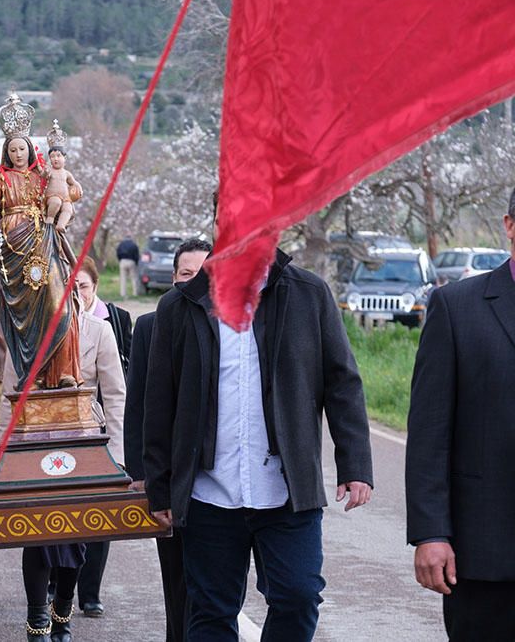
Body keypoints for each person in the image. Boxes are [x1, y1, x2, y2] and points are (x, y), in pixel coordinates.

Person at [143, 247, 374, 641]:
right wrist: (159, 485)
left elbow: (342, 383)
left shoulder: (309, 293)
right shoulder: (179, 305)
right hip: (209, 494)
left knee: (299, 597)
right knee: (210, 611)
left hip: (287, 492)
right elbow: (159, 400)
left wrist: (355, 465)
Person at [405, 191, 515, 641]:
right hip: (485, 556)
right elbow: (430, 432)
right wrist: (431, 533)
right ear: (509, 225)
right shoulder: (457, 307)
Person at [0, 304, 126, 642]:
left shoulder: (99, 330)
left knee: (75, 537)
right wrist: (4, 456)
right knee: (38, 534)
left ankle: (63, 612)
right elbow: (8, 397)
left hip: (83, 443)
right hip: (33, 444)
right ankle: (37, 620)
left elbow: (114, 395)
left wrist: (115, 456)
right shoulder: (23, 331)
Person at [124, 237, 211, 642]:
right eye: (186, 274)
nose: (194, 282)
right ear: (174, 278)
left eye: (203, 274)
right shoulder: (151, 325)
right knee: (176, 578)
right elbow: (140, 401)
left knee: (213, 585)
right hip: (170, 473)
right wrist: (143, 472)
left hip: (214, 474)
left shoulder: (230, 324)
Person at [0, 91, 82, 391]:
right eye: (13, 150)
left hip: (44, 242)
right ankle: (32, 374)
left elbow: (65, 193)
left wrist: (66, 195)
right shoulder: (3, 179)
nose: (18, 154)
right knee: (24, 317)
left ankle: (61, 372)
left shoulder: (43, 176)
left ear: (30, 149)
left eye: (22, 149)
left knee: (60, 303)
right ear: (6, 153)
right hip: (13, 252)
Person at [71, 256, 132, 617]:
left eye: (82, 286)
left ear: (94, 287)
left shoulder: (106, 327)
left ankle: (89, 590)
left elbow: (115, 394)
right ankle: (53, 587)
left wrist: (118, 452)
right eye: (70, 286)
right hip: (53, 436)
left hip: (93, 435)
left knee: (96, 516)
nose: (76, 293)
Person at [42, 120, 81, 233]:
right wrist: (45, 172)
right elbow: (43, 176)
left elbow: (74, 182)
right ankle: (50, 219)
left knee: (68, 209)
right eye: (52, 156)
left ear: (65, 158)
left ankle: (61, 225)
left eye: (58, 156)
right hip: (52, 197)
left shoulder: (66, 173)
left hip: (65, 198)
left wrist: (79, 189)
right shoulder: (50, 170)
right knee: (56, 202)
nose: (55, 159)